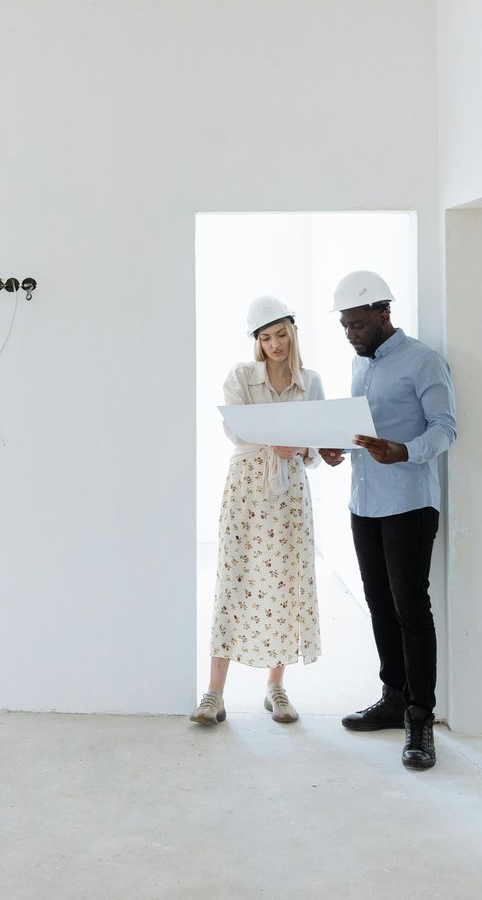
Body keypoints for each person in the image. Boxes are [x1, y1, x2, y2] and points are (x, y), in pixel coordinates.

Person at [318, 270, 457, 771]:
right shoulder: (362, 367)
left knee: (410, 608)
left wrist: (404, 452)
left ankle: (420, 717)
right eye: (344, 326)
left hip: (410, 504)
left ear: (383, 314)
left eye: (357, 324)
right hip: (365, 503)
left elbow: (445, 429)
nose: (351, 333)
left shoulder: (423, 361)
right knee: (378, 603)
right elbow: (364, 432)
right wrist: (340, 447)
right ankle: (393, 697)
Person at [192, 296, 324, 727]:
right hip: (247, 488)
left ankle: (276, 687)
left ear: (293, 332)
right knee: (234, 577)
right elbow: (236, 429)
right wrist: (281, 441)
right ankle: (214, 693)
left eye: (281, 335)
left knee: (285, 580)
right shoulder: (241, 378)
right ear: (257, 342)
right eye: (266, 338)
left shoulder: (311, 382)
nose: (275, 345)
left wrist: (300, 446)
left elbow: (317, 446)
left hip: (288, 492)